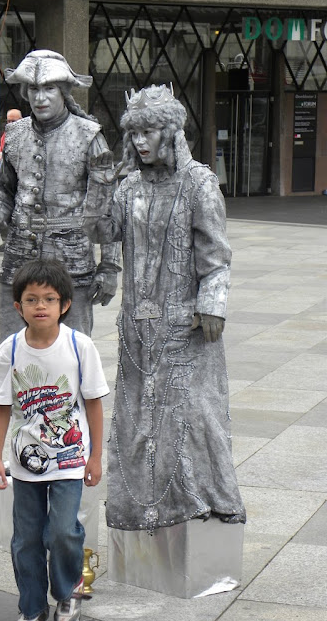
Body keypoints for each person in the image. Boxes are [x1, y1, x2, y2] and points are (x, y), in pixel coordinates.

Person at [83, 85, 246, 534]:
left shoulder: (199, 183)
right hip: (138, 324)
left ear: (171, 132)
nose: (140, 141)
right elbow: (100, 230)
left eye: (150, 131)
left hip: (185, 323)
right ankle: (144, 506)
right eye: (134, 132)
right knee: (139, 414)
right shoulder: (129, 184)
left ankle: (206, 498)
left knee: (194, 412)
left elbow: (216, 255)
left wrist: (212, 303)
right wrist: (100, 182)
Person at [0, 49, 120, 342]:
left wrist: (109, 267)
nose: (40, 97)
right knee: (12, 350)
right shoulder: (15, 134)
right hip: (18, 259)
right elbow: (3, 190)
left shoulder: (90, 135)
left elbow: (106, 208)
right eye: (34, 89)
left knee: (73, 354)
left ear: (63, 91)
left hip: (71, 264)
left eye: (49, 88)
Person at [0, 259, 108, 621]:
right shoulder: (9, 351)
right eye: (31, 299)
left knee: (61, 531)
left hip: (71, 459)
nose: (40, 306)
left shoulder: (79, 345)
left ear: (65, 305)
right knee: (25, 539)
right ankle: (31, 608)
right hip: (26, 463)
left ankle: (67, 589)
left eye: (49, 299)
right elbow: (2, 408)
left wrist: (96, 457)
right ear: (18, 307)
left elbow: (94, 405)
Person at [0, 108, 23, 252]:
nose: (11, 123)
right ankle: (7, 240)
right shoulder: (5, 136)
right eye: (8, 121)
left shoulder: (28, 135)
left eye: (14, 121)